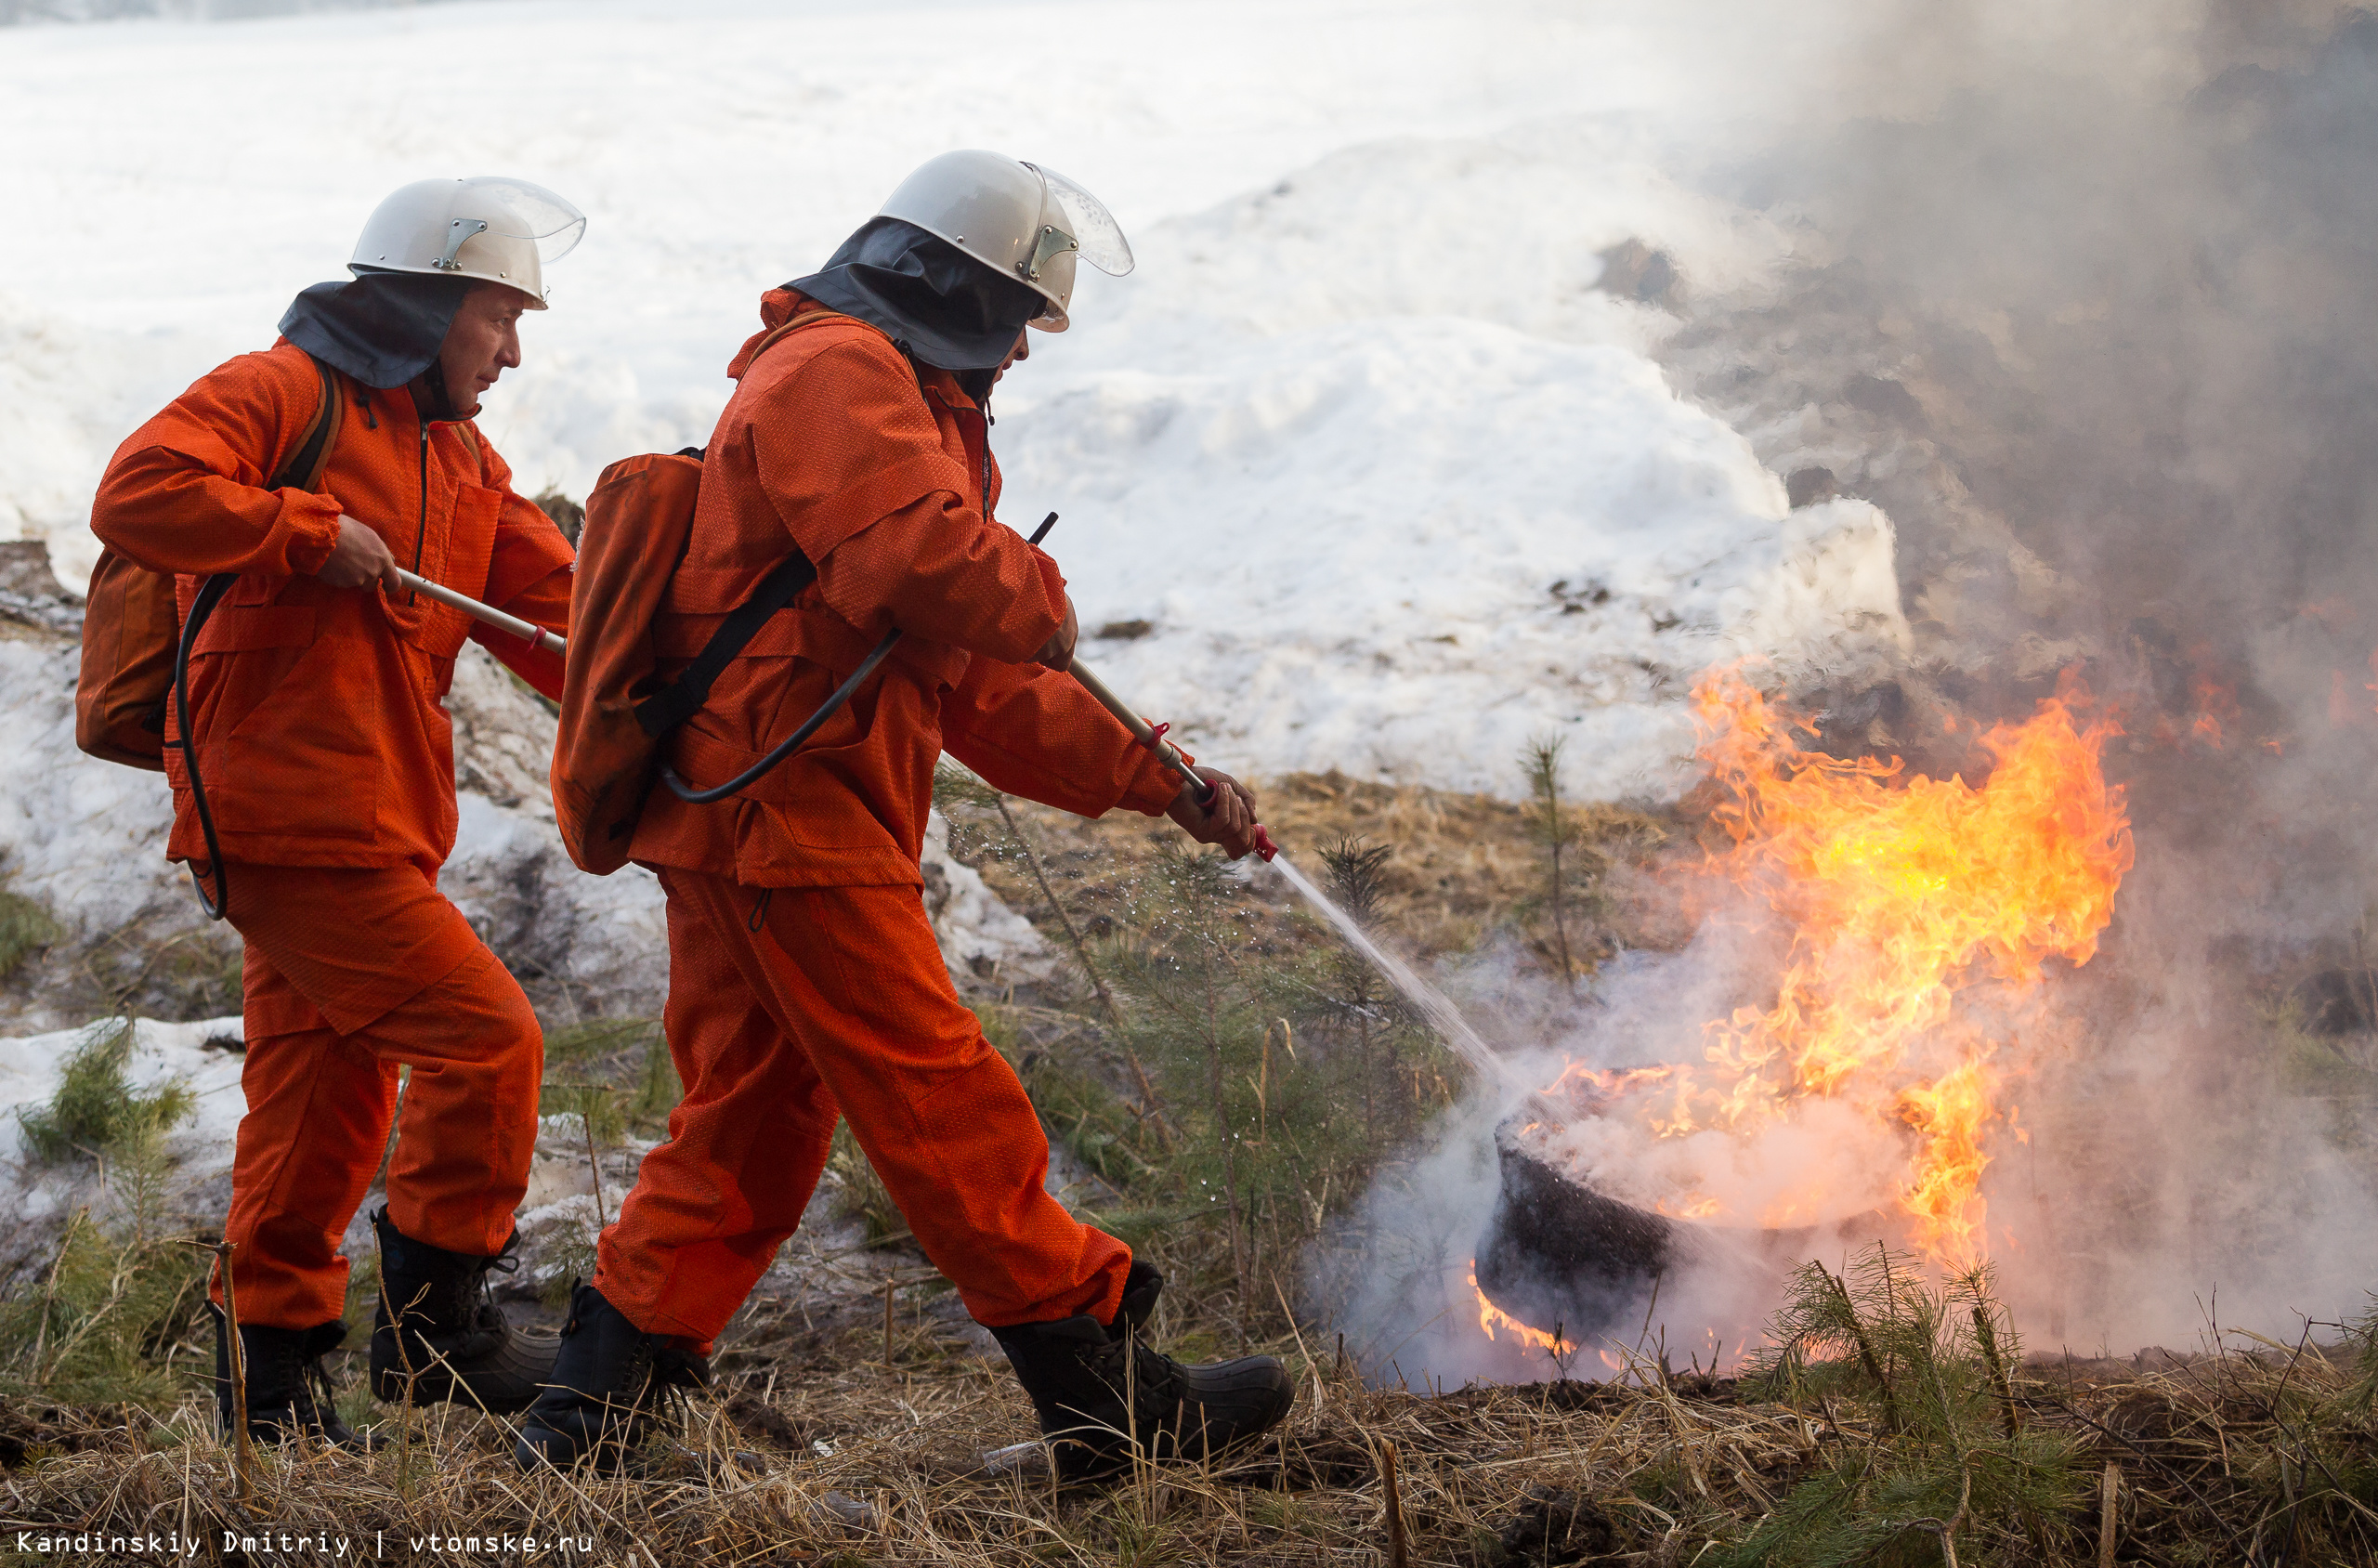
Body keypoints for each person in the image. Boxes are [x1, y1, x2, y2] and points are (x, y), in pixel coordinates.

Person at [516, 150, 1295, 1479]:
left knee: (751, 1129)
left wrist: (1154, 777)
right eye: (1013, 320)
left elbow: (977, 685)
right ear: (947, 283)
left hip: (756, 821)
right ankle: (1112, 1404)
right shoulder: (834, 373)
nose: (1019, 356)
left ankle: (587, 1420)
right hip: (789, 820)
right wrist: (1037, 589)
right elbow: (926, 566)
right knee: (949, 1105)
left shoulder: (899, 406)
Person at [88, 176, 586, 1448]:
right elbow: (137, 491)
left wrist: (723, 676)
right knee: (490, 1044)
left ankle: (270, 1397)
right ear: (427, 308)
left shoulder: (461, 455)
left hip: (369, 826)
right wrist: (306, 531)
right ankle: (441, 1339)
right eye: (498, 319)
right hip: (283, 818)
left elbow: (564, 615)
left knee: (323, 1104)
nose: (513, 352)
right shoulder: (280, 393)